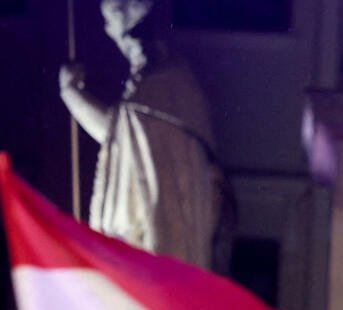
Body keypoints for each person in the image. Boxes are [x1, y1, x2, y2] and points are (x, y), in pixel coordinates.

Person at [59, 0, 222, 268]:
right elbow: (124, 134)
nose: (108, 30)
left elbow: (117, 134)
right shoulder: (175, 89)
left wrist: (72, 93)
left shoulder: (160, 89)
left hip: (150, 247)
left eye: (110, 22)